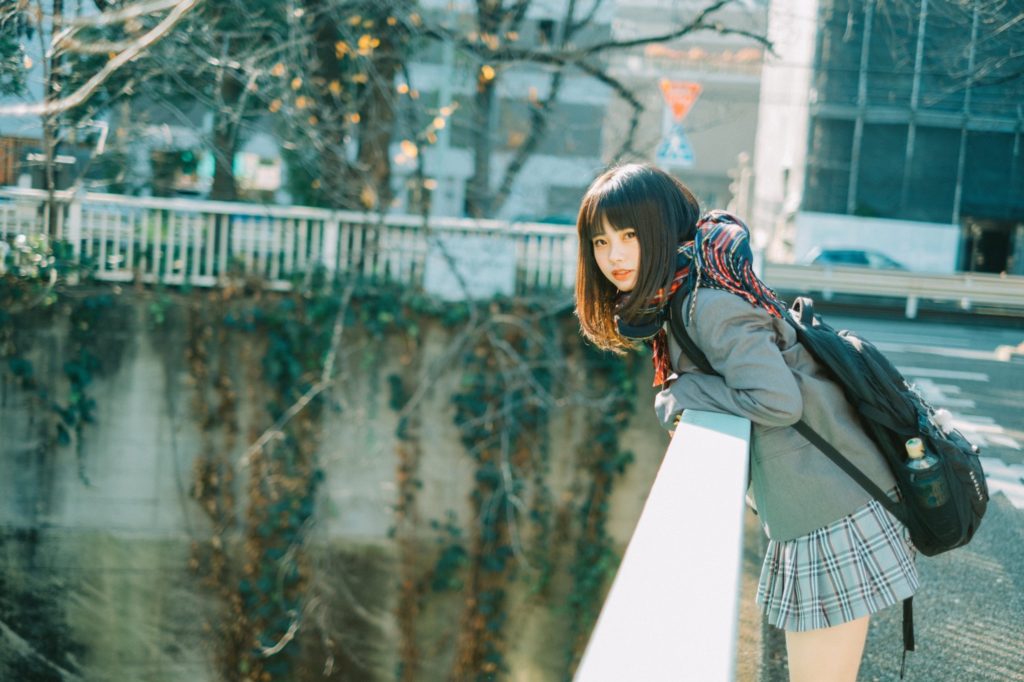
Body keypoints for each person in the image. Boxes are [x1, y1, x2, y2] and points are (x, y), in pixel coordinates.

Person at [574, 163, 918, 682]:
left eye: (629, 235)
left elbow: (778, 401)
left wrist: (682, 392)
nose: (615, 255)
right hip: (818, 506)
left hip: (832, 514)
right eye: (600, 242)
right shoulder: (690, 290)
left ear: (664, 230)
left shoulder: (705, 304)